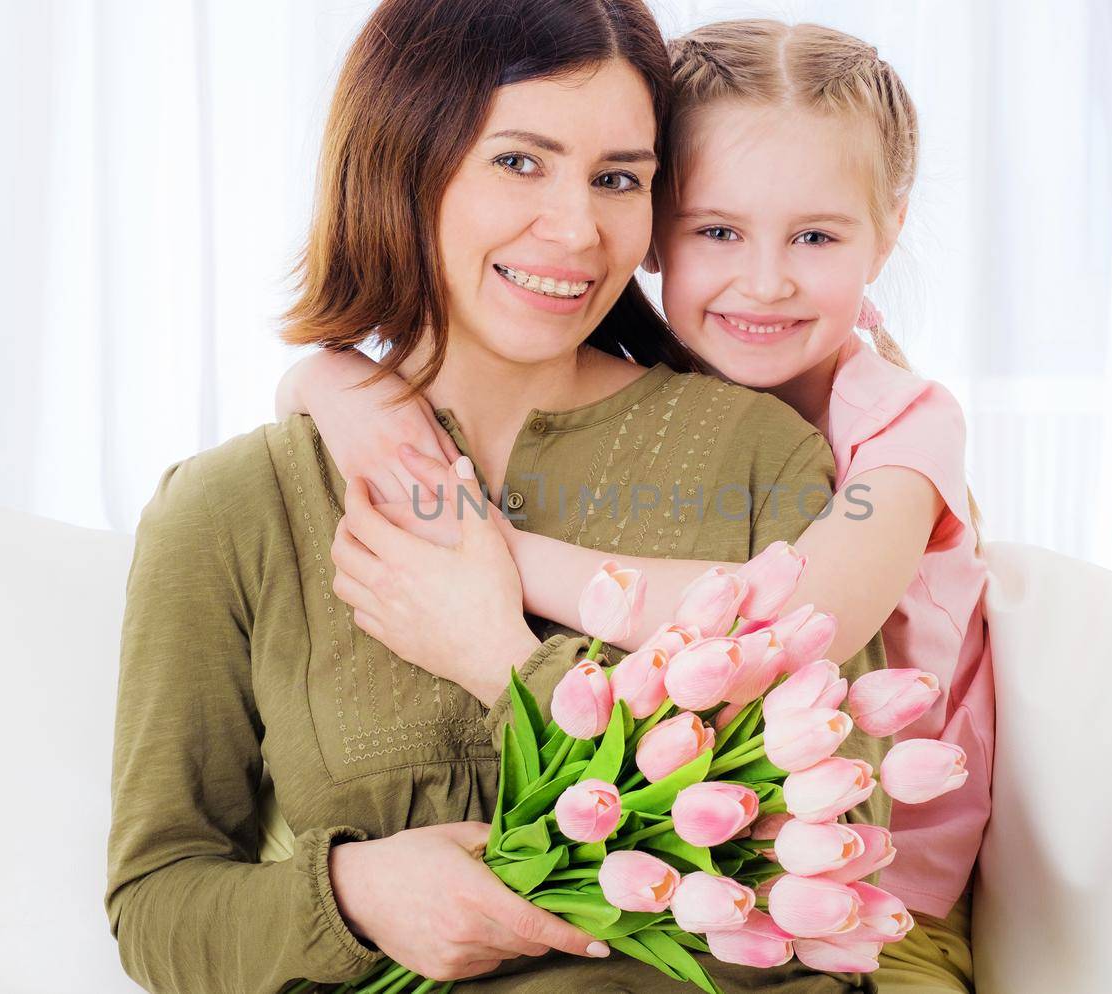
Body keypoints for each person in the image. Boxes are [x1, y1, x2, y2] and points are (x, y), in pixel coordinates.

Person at [103, 3, 890, 993]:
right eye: (519, 160)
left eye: (617, 179)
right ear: (403, 160)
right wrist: (353, 894)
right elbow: (156, 902)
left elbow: (836, 855)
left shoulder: (759, 455)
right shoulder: (234, 508)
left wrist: (506, 664)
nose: (575, 229)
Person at [277, 19, 992, 994]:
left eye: (816, 235)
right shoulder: (655, 380)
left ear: (889, 228)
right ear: (654, 228)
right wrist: (331, 381)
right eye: (716, 230)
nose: (766, 279)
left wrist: (491, 556)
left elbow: (800, 623)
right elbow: (313, 394)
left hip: (871, 905)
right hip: (673, 870)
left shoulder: (907, 427)